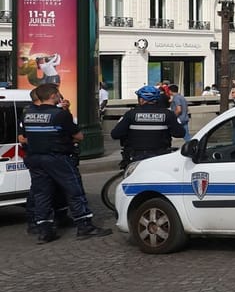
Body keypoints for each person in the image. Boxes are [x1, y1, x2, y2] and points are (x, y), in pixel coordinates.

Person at [22, 84, 111, 242]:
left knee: (42, 194)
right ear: (53, 95)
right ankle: (84, 226)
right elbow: (79, 136)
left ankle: (45, 231)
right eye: (58, 94)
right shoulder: (60, 114)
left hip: (35, 158)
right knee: (74, 190)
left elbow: (25, 137)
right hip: (57, 157)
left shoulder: (28, 113)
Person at [111, 84, 186, 166]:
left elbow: (115, 134)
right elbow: (180, 133)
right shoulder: (168, 114)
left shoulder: (130, 114)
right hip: (160, 157)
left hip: (135, 158)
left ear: (142, 99)